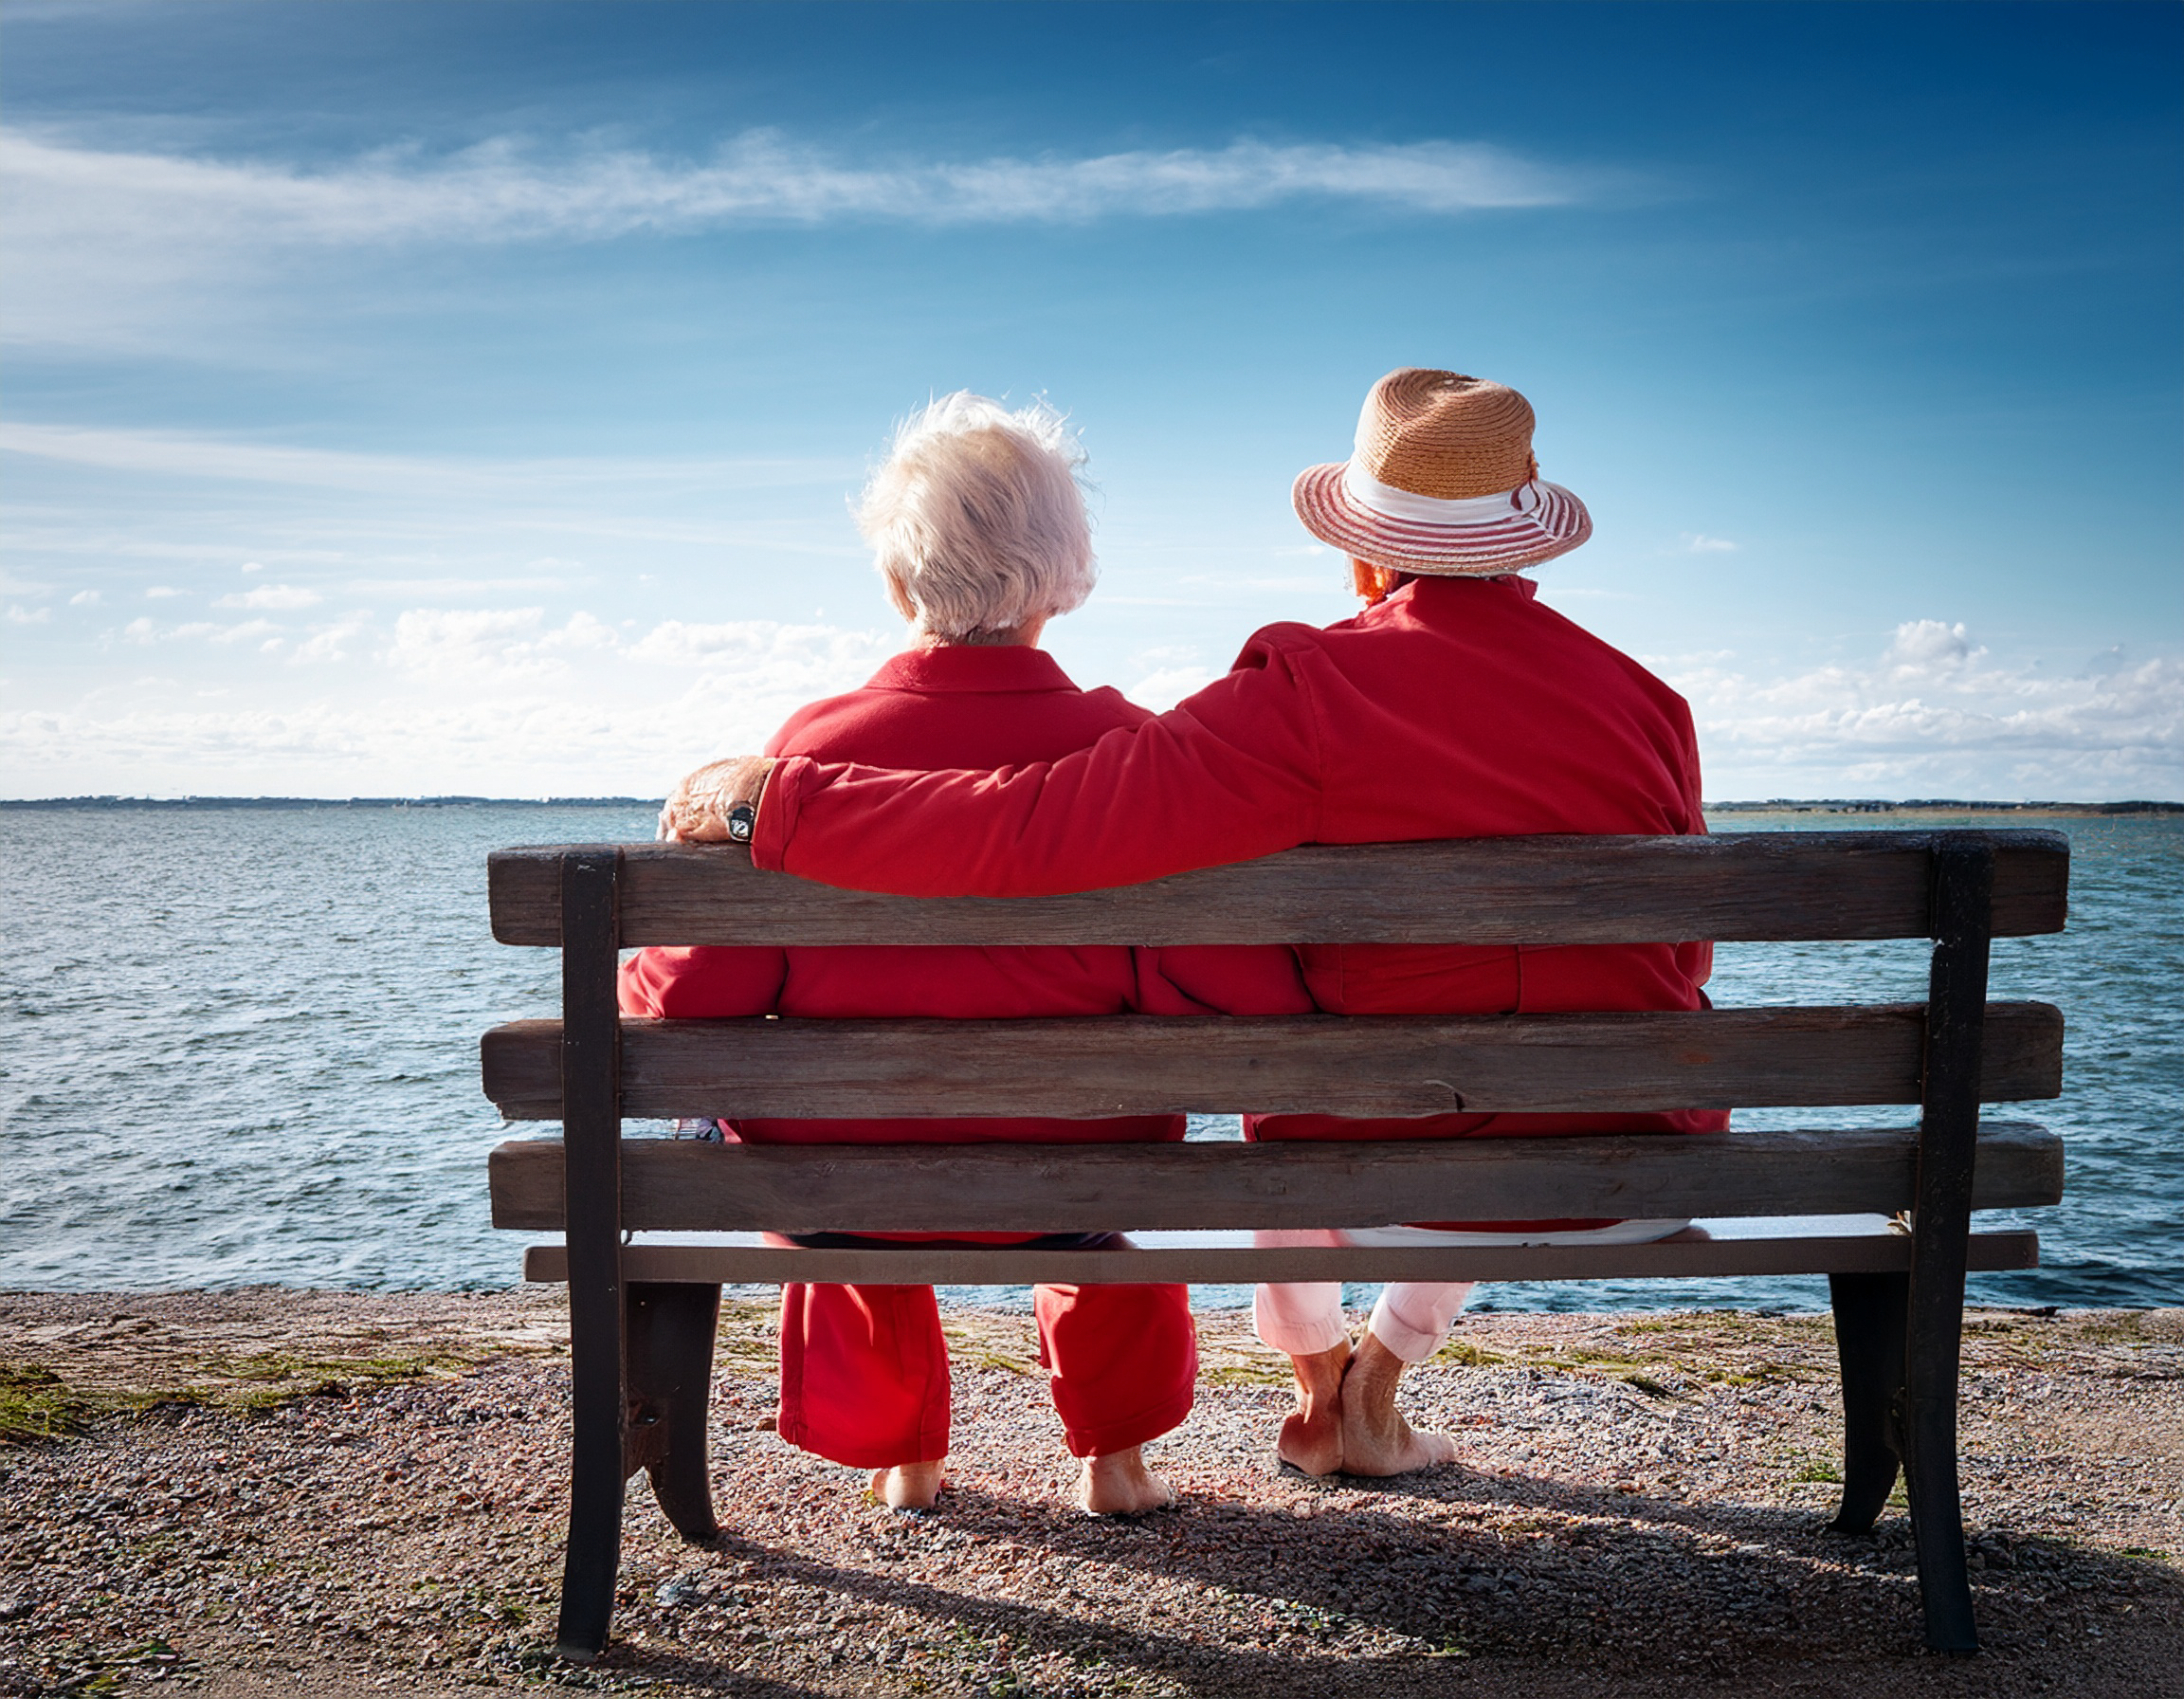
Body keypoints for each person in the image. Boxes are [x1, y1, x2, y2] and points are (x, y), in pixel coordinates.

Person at [660, 368, 1726, 1479]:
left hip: (1379, 1157)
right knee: (1424, 1056)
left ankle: (1322, 1392)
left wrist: (773, 801)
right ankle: (1365, 1389)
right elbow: (1682, 960)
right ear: (1521, 543)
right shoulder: (1652, 704)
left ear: (1364, 552)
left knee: (1325, 1071)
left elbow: (1037, 824)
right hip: (1637, 1162)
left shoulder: (1308, 690)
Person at [622, 392, 1305, 1513]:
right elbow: (1216, 996)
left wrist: (638, 971)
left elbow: (700, 995)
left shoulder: (803, 761)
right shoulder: (1132, 756)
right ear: (1063, 575)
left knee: (809, 1142)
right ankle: (1116, 1457)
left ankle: (904, 1451)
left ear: (900, 580)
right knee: (1108, 1157)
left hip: (844, 1179)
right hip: (1082, 1166)